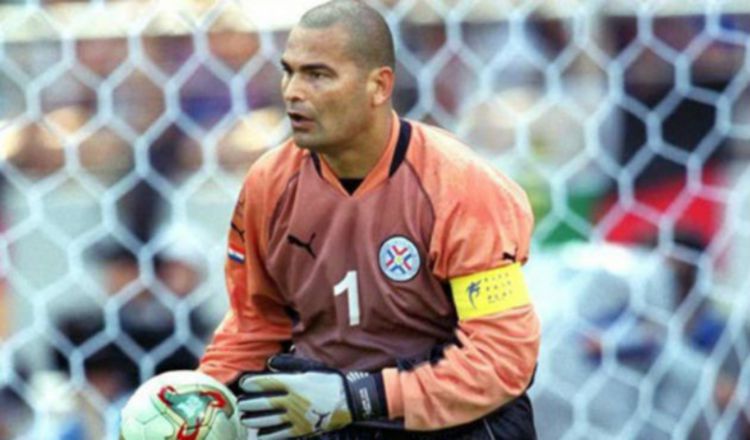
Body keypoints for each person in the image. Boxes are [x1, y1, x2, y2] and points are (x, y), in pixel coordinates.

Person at [198, 1, 540, 438]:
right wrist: (199, 397)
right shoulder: (269, 183)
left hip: (450, 422)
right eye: (289, 71)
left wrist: (359, 397)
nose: (292, 92)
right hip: (321, 414)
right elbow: (257, 323)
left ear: (379, 86)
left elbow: (502, 358)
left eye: (317, 75)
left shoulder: (462, 187)